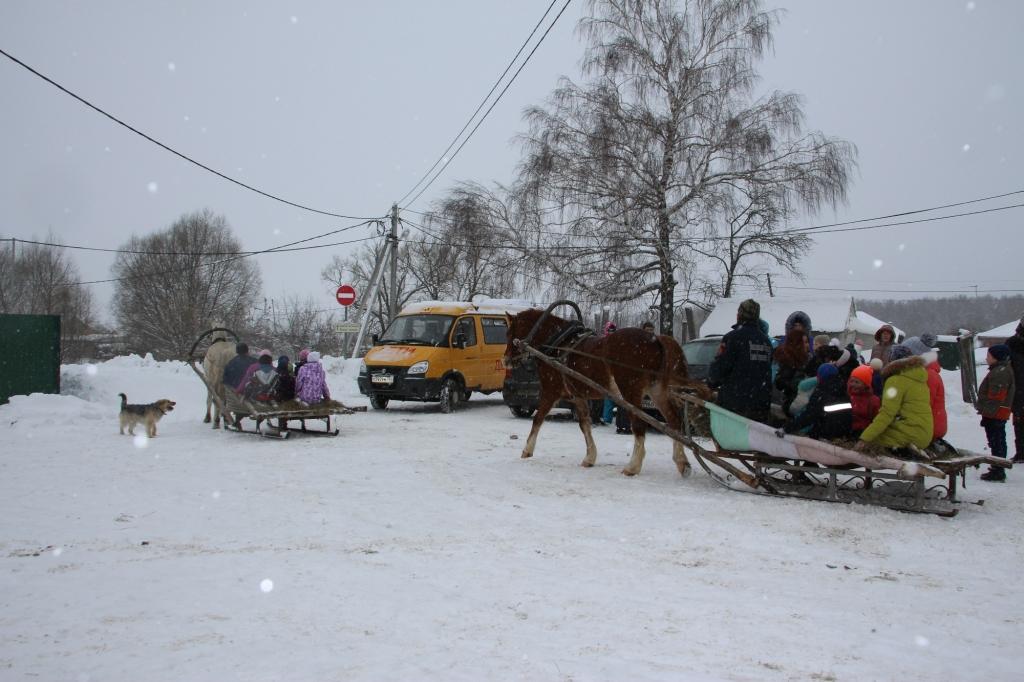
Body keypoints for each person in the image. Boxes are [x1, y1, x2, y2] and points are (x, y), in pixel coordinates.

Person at [856, 344, 933, 451]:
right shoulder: (920, 381)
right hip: (925, 435)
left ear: (892, 361)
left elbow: (887, 413)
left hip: (907, 434)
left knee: (871, 440)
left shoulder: (895, 380)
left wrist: (864, 439)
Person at [707, 299, 773, 423]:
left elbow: (720, 367)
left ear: (739, 315)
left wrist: (711, 382)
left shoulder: (733, 338)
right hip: (761, 406)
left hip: (735, 405)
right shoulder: (766, 341)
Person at [783, 363, 851, 440]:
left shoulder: (822, 392)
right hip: (842, 434)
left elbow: (810, 415)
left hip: (823, 434)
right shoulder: (843, 390)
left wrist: (788, 427)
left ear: (819, 376)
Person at [978, 344, 1015, 481]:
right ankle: (997, 467)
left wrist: (987, 413)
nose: (987, 358)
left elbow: (996, 397)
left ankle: (998, 469)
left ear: (996, 357)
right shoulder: (1000, 370)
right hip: (996, 412)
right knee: (997, 440)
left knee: (997, 441)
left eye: (989, 356)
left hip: (996, 413)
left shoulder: (1000, 372)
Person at [904, 334, 947, 443]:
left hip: (929, 428)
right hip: (927, 425)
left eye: (906, 355)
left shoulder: (927, 375)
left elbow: (923, 405)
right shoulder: (923, 372)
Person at [774, 326, 811, 418]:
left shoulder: (806, 358)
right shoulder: (788, 360)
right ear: (797, 344)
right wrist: (798, 384)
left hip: (799, 401)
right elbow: (780, 382)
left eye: (807, 342)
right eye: (805, 342)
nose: (807, 345)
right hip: (792, 403)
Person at [1006, 318, 1024, 464]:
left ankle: (1021, 453)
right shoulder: (1012, 343)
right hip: (1018, 389)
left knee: (1019, 422)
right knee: (1019, 422)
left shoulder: (1012, 343)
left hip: (1018, 389)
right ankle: (1021, 453)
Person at [848, 364, 880, 438]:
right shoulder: (847, 395)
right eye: (851, 381)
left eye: (857, 382)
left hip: (862, 433)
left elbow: (876, 419)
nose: (853, 384)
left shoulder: (873, 400)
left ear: (865, 384)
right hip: (846, 432)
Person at [600, 321, 618, 427]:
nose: (612, 332)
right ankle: (606, 417)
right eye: (610, 330)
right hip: (605, 371)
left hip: (614, 371)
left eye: (613, 330)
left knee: (612, 395)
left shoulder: (617, 341)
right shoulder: (604, 341)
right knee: (608, 396)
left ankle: (611, 418)